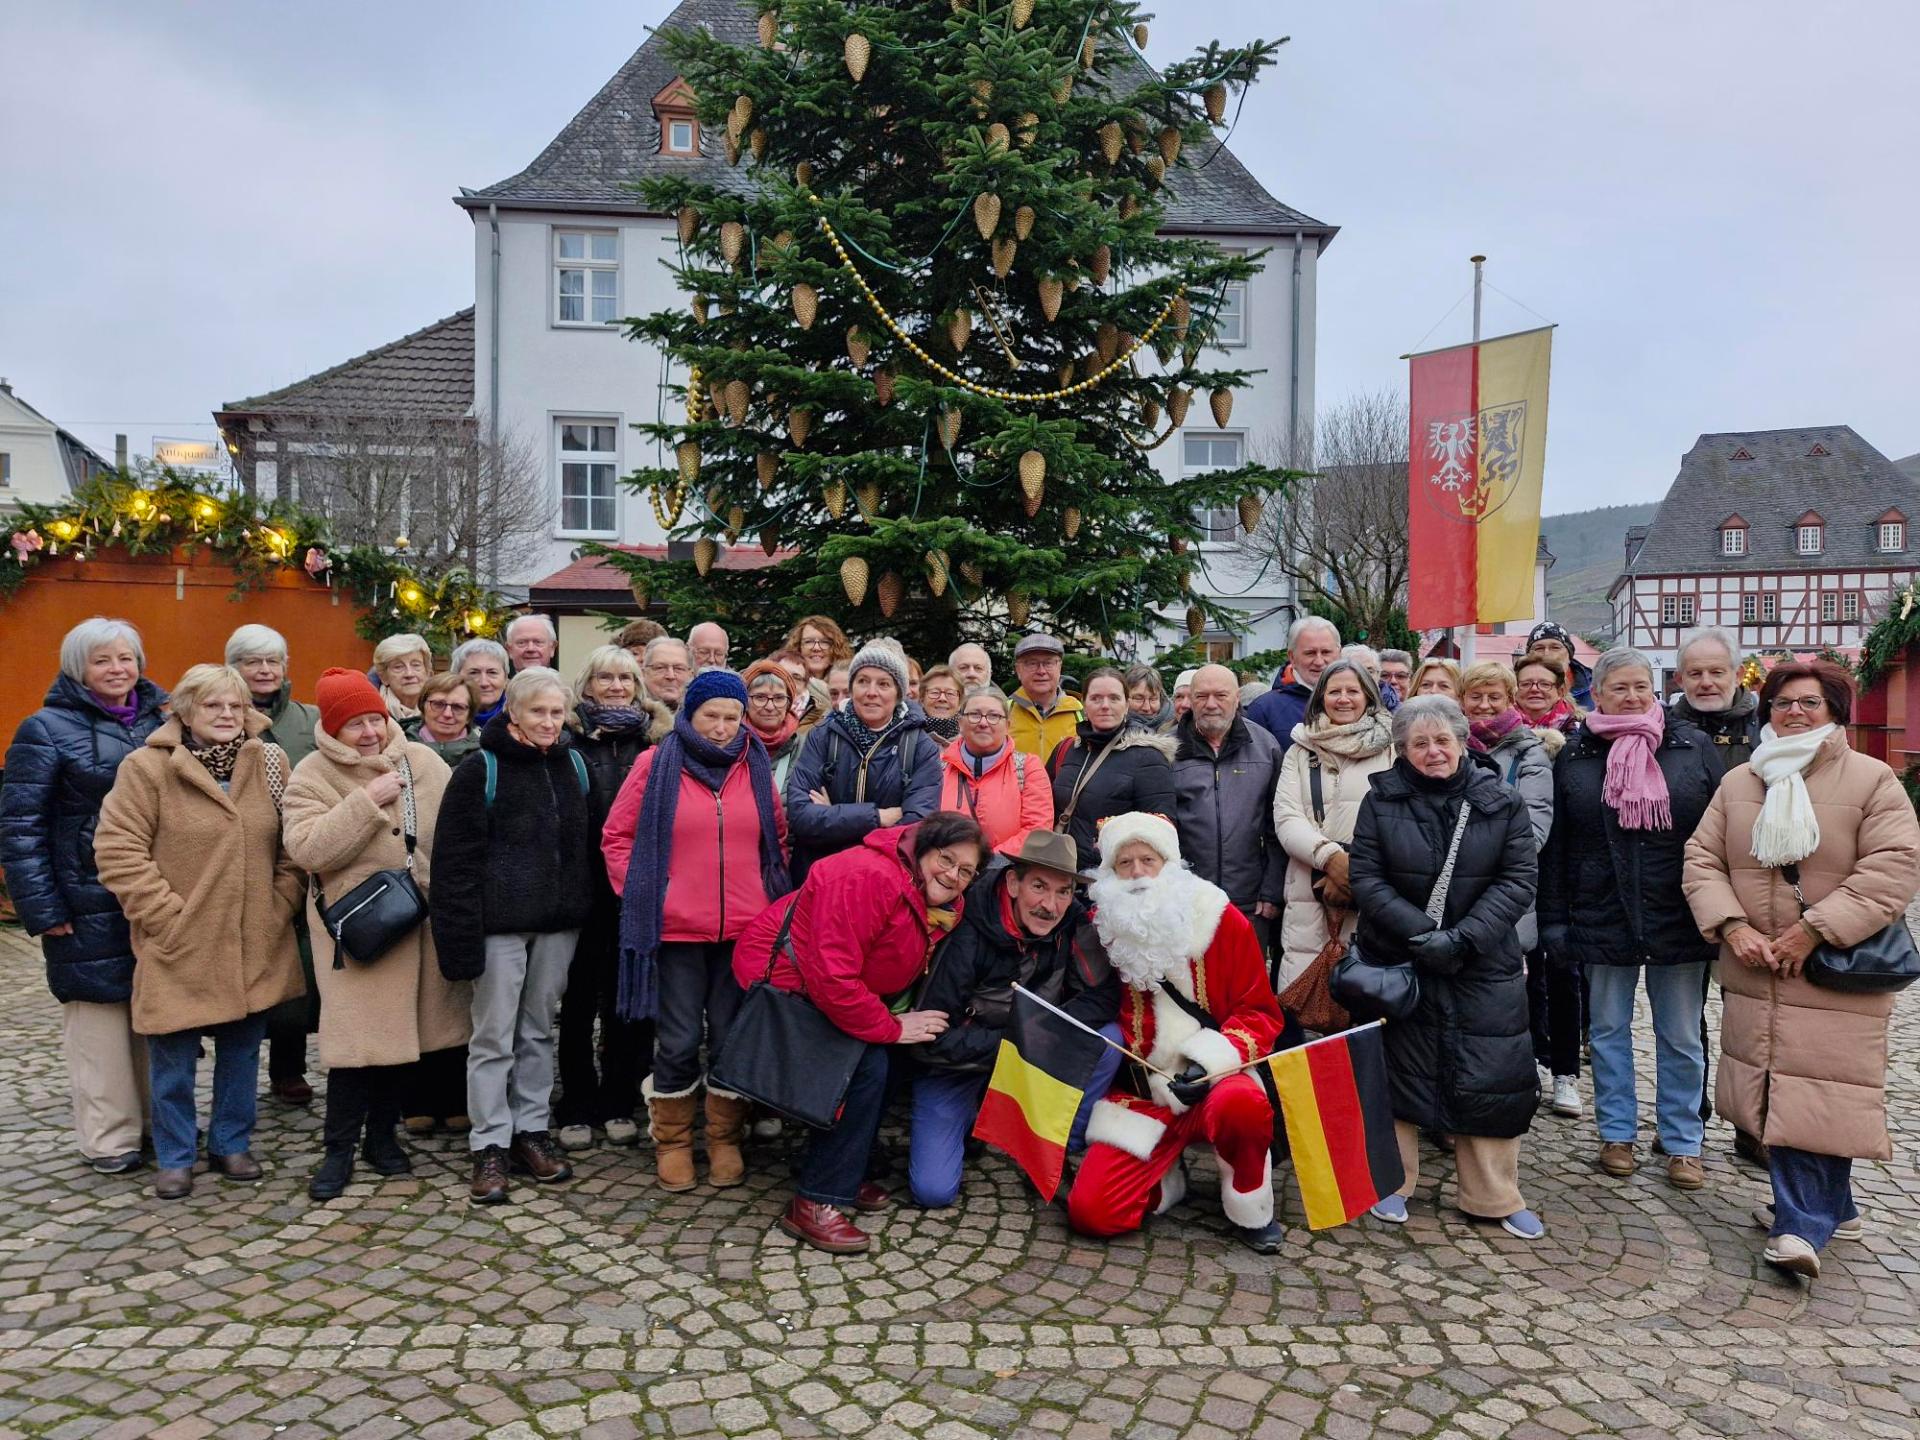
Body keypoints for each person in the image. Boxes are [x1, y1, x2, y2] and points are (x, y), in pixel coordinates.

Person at [1683, 660, 1920, 1279]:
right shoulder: (1740, 781)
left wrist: (1812, 930)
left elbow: (1892, 868)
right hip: (1757, 967)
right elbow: (1702, 859)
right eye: (1783, 702)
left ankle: (1799, 1226)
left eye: (1809, 703)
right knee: (1778, 1088)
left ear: (1834, 711)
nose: (1794, 712)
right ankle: (1833, 1207)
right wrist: (1733, 926)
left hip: (1832, 968)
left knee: (1819, 1092)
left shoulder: (1871, 780)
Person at [93, 663, 305, 1199]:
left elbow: (292, 847)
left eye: (236, 705)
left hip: (253, 938)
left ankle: (231, 1142)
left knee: (241, 1053)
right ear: (185, 711)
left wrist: (278, 906)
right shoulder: (147, 767)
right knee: (173, 1060)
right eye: (213, 705)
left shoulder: (269, 761)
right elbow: (118, 850)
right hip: (180, 941)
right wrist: (166, 918)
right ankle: (176, 1155)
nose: (227, 715)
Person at [734, 813, 986, 1253]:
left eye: (966, 871)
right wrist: (890, 1027)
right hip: (787, 979)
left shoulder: (938, 900)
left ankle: (845, 1170)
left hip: (843, 988)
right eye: (946, 860)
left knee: (892, 1061)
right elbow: (832, 977)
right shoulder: (867, 877)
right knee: (864, 1067)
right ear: (922, 849)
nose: (953, 876)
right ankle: (814, 1201)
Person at [1348, 696, 1545, 1239]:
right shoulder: (1380, 801)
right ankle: (1391, 1182)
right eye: (1420, 743)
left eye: (1442, 740)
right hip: (1402, 958)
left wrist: (1461, 939)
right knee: (1398, 1073)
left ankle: (1494, 1194)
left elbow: (1518, 880)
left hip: (1482, 960)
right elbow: (1366, 878)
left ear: (1462, 742)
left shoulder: (1501, 800)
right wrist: (1422, 936)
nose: (1433, 751)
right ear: (1403, 750)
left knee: (1491, 1074)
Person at [1540, 647, 1723, 1190]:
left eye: (1641, 686)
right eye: (1619, 688)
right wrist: (1555, 920)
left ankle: (1683, 1141)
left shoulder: (1691, 747)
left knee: (1681, 1034)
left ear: (1655, 689)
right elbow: (1557, 846)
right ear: (1596, 694)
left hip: (1678, 910)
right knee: (1608, 1032)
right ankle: (1616, 1134)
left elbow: (1720, 833)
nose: (1632, 696)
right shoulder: (1575, 755)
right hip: (1601, 909)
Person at [282, 669, 468, 1199]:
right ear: (331, 728)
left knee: (402, 1040)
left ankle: (382, 1140)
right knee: (356, 1048)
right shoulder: (311, 774)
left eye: (375, 720)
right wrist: (366, 802)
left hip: (419, 923)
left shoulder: (423, 761)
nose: (369, 733)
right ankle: (337, 1151)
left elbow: (454, 834)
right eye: (354, 724)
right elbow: (308, 850)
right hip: (356, 932)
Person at [603, 669, 789, 1190]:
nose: (723, 728)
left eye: (732, 717)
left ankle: (725, 1138)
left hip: (744, 931)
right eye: (712, 716)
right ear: (689, 714)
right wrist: (653, 895)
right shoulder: (655, 763)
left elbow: (777, 839)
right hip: (677, 930)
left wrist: (766, 896)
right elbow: (617, 837)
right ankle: (674, 1141)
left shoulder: (755, 765)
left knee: (730, 1038)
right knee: (680, 1040)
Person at [1066, 813, 1286, 1251]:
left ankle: (1249, 1201)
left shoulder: (1221, 919)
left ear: (1170, 864)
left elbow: (1259, 1013)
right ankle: (1166, 1182)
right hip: (1143, 1092)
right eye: (1124, 863)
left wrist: (1208, 1066)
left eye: (1148, 860)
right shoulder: (1105, 925)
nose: (1137, 873)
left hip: (1215, 1083)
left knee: (1243, 1105)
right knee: (1091, 1212)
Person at [1, 618, 169, 1175]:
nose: (117, 669)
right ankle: (109, 1137)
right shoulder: (44, 728)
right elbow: (21, 826)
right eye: (102, 660)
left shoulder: (163, 719)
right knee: (98, 1020)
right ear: (78, 668)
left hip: (152, 891)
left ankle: (158, 1123)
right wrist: (42, 907)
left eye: (126, 657)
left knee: (156, 1012)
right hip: (83, 895)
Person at [430, 667, 596, 1205]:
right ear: (513, 713)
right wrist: (458, 940)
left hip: (557, 924)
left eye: (556, 712)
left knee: (538, 1032)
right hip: (498, 926)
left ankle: (531, 1130)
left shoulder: (574, 764)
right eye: (537, 712)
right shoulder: (482, 768)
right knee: (493, 1036)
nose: (549, 722)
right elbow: (454, 863)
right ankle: (489, 1143)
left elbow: (586, 849)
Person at [910, 830, 1121, 1208]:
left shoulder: (1072, 920)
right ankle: (973, 1118)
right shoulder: (967, 929)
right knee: (933, 1191)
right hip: (962, 1064)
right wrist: (1017, 1040)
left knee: (1109, 1041)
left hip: (1029, 1057)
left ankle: (1058, 1147)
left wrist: (1045, 1027)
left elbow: (1104, 994)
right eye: (1039, 886)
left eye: (1063, 891)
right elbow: (932, 1040)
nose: (1050, 905)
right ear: (1012, 883)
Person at [553, 645, 659, 1152]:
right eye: (605, 677)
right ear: (587, 685)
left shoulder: (655, 742)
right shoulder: (567, 740)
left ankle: (619, 1099)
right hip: (580, 888)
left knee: (627, 1002)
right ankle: (575, 1102)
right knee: (576, 1003)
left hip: (636, 890)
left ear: (638, 687)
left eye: (625, 678)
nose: (616, 686)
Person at [1461, 662, 1573, 1116]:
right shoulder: (1451, 747)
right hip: (1454, 894)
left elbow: (1533, 829)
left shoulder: (1531, 753)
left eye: (1494, 696)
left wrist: (1472, 858)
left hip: (1507, 894)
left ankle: (1509, 1086)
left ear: (1510, 700)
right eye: (1475, 696)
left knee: (1510, 999)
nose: (1484, 705)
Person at [1669, 626, 1763, 1156]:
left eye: (1716, 672)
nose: (1706, 682)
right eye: (1696, 673)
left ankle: (1753, 1124)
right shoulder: (1663, 729)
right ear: (1680, 678)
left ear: (1735, 674)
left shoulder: (1765, 729)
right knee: (1687, 1020)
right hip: (1685, 889)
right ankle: (1692, 1119)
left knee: (1751, 1017)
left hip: (1753, 892)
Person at [224, 623, 319, 1106]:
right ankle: (233, 1069)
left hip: (298, 855)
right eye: (252, 662)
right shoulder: (218, 716)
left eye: (272, 661)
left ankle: (288, 1067)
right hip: (236, 857)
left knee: (294, 964)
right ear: (233, 668)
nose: (264, 670)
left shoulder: (310, 720)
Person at [1272, 660, 1396, 995]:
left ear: (1368, 697)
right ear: (1320, 698)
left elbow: (1399, 819)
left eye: (1352, 691)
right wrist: (1330, 859)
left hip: (1373, 890)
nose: (1343, 699)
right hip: (1310, 890)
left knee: (1369, 1000)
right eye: (1334, 691)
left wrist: (1355, 872)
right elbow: (1287, 816)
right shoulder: (1300, 751)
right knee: (1308, 998)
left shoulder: (1392, 749)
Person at [786, 644, 941, 880]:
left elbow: (914, 829)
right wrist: (878, 817)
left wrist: (833, 815)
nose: (871, 692)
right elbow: (801, 817)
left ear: (898, 693)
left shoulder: (920, 746)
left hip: (881, 881)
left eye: (884, 684)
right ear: (852, 688)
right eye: (862, 681)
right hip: (818, 879)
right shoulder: (823, 735)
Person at [1172, 664, 1284, 940]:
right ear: (1190, 700)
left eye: (1220, 695)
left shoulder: (1265, 746)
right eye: (1201, 696)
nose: (1211, 704)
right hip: (1184, 900)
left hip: (1249, 901)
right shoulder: (1166, 749)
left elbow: (1278, 825)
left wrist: (1271, 890)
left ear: (1237, 698)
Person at [1045, 667, 1177, 874]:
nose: (1105, 705)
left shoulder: (1148, 758)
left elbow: (1159, 832)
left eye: (1114, 698)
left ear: (1126, 705)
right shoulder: (1066, 750)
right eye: (1096, 698)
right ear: (1084, 704)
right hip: (1059, 872)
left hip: (1111, 878)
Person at [939, 684, 1055, 854]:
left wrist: (990, 862)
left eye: (994, 716)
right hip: (946, 867)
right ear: (960, 722)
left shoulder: (1028, 768)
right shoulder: (938, 768)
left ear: (1007, 725)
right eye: (974, 715)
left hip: (1007, 868)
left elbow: (1037, 831)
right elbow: (922, 824)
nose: (983, 723)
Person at [1247, 616, 1342, 752]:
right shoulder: (1264, 709)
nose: (1319, 661)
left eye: (1326, 652)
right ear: (1292, 657)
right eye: (1310, 653)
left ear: (1339, 654)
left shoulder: (1357, 704)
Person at [1008, 634, 1085, 758]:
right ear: (1018, 670)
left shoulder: (1080, 712)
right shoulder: (1002, 712)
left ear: (1059, 667)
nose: (1041, 671)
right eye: (1032, 663)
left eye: (1048, 663)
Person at [744, 659, 810, 790]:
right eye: (760, 697)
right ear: (745, 701)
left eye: (779, 698)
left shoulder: (807, 748)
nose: (770, 706)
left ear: (788, 703)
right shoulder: (731, 744)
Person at [415, 671, 481, 766]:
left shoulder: (486, 757)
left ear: (469, 716)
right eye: (438, 704)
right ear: (423, 706)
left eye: (458, 707)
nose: (447, 714)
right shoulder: (398, 746)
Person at [372, 633, 434, 730]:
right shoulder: (370, 712)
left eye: (416, 665)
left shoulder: (442, 710)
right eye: (398, 667)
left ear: (427, 672)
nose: (409, 674)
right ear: (384, 677)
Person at [1526, 621, 1593, 711]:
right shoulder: (1515, 688)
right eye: (1539, 648)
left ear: (1569, 654)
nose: (1547, 654)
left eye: (1555, 647)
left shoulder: (1595, 684)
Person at [1515, 654, 1582, 736]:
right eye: (1525, 684)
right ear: (1514, 690)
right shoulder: (1501, 729)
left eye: (1545, 684)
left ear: (1560, 692)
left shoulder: (1581, 730)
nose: (1534, 689)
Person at [452, 638, 512, 728]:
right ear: (456, 677)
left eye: (492, 672)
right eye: (474, 673)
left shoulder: (522, 718)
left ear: (505, 679)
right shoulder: (441, 718)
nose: (484, 683)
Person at [786, 614, 854, 681]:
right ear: (798, 647)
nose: (816, 648)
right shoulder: (784, 685)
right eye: (809, 641)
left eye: (825, 642)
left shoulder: (849, 685)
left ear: (836, 648)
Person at [642, 636, 693, 713]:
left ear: (691, 675)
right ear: (644, 673)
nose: (670, 676)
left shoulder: (704, 714)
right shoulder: (627, 716)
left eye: (679, 668)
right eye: (660, 668)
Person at [918, 664, 964, 743]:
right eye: (935, 692)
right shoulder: (908, 737)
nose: (942, 698)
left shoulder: (971, 740)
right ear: (922, 699)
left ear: (959, 702)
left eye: (950, 693)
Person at [1125, 664, 1174, 732]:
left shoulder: (1180, 725)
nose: (1147, 708)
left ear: (1161, 698)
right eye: (1138, 698)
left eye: (1153, 699)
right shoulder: (1113, 728)